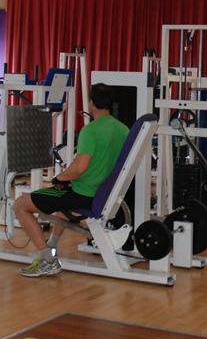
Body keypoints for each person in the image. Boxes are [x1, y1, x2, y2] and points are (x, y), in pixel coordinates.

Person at [12, 82, 129, 278]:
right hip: (102, 192)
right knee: (61, 196)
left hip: (82, 193)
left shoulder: (90, 131)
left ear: (91, 103)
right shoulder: (123, 129)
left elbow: (79, 168)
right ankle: (52, 245)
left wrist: (59, 178)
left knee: (20, 204)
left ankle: (47, 260)